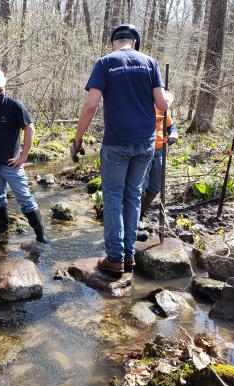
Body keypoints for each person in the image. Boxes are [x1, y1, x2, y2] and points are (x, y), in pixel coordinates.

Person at [71, 24, 173, 273]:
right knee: (133, 196)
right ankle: (129, 256)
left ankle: (115, 258)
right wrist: (169, 96)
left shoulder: (105, 62)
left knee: (114, 197)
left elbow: (90, 105)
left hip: (117, 142)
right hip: (146, 142)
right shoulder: (150, 63)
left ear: (113, 44)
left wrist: (78, 139)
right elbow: (162, 103)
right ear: (135, 43)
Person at [0, 68, 50, 244]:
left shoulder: (15, 107)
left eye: (0, 90)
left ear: (4, 88)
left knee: (25, 198)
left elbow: (30, 128)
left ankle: (40, 235)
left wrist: (24, 155)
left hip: (12, 163)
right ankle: (3, 233)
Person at [140, 105, 178, 219]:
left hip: (159, 151)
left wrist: (173, 133)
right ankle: (132, 218)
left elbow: (170, 125)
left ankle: (141, 212)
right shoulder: (142, 105)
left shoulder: (162, 106)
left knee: (155, 187)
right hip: (143, 151)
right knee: (141, 188)